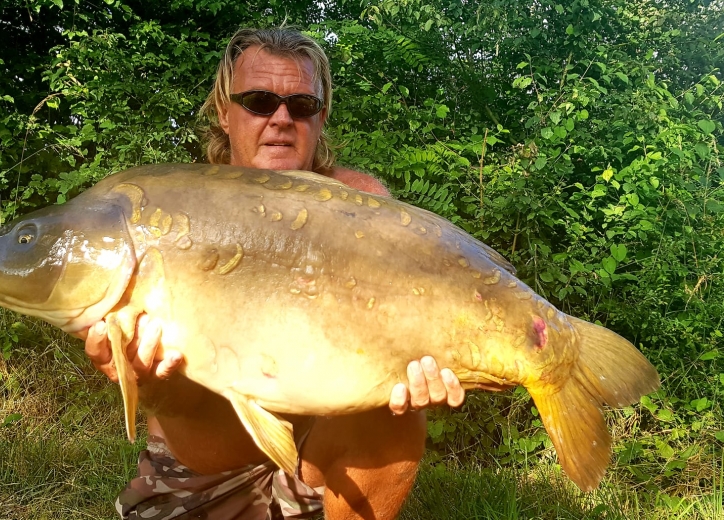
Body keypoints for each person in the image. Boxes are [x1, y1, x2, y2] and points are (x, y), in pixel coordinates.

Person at [82, 27, 465, 519]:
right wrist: (146, 379)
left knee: (398, 406)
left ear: (321, 116)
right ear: (224, 111)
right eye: (259, 102)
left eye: (301, 105)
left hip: (317, 448)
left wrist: (433, 359)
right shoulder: (177, 212)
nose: (281, 119)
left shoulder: (361, 204)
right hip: (205, 453)